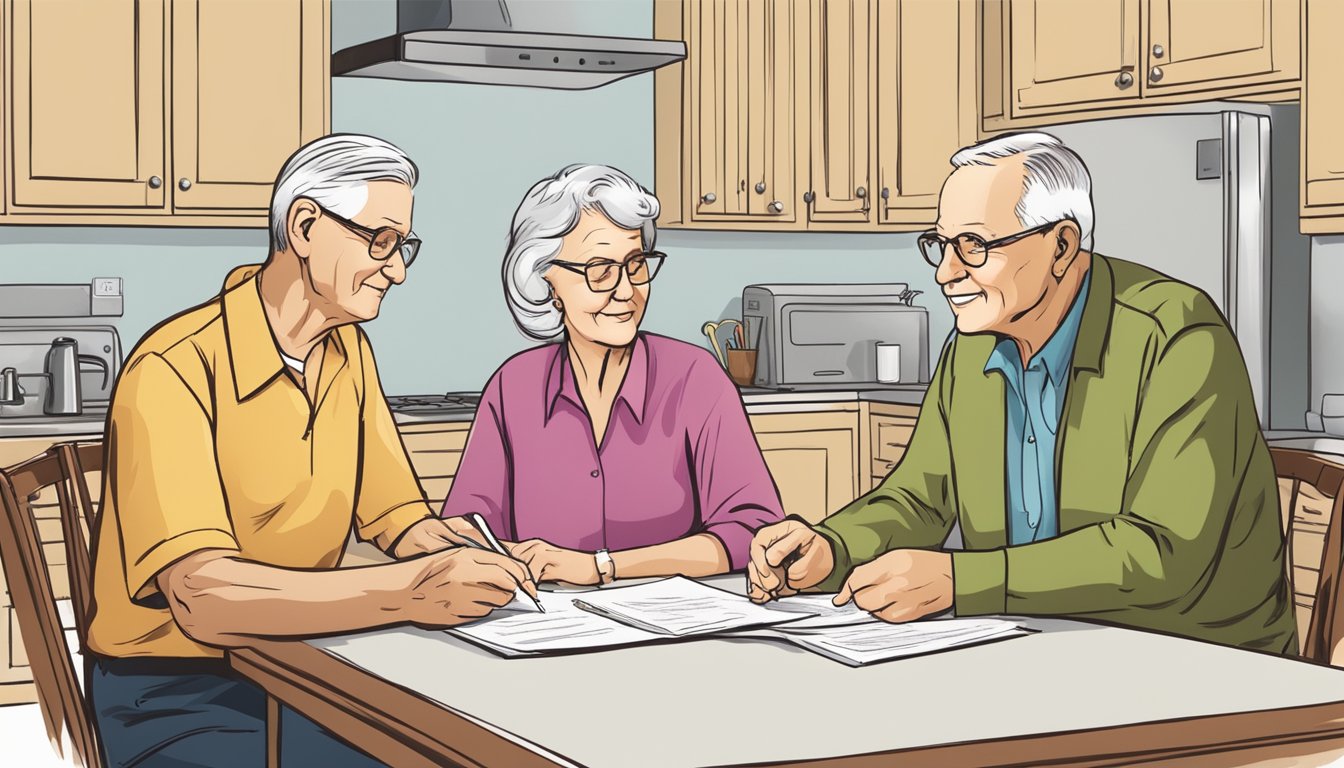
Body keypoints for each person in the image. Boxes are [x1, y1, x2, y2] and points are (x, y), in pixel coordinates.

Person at [746, 132, 1296, 654]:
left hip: (1197, 663)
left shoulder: (1176, 334)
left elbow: (1160, 554)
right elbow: (918, 499)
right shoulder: (972, 347)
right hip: (1030, 646)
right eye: (939, 245)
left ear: (1061, 245)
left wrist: (961, 580)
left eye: (974, 246)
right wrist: (831, 547)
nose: (945, 273)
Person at [84, 134, 536, 767]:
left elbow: (396, 519)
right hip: (175, 691)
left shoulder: (347, 352)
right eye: (380, 241)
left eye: (403, 246)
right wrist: (410, 592)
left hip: (307, 664)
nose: (398, 269)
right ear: (304, 225)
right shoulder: (172, 366)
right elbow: (201, 599)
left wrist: (456, 550)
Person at [441, 163, 784, 585]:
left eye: (636, 264)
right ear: (545, 280)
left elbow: (753, 532)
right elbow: (466, 531)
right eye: (599, 270)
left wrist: (602, 567)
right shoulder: (513, 387)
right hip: (546, 629)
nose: (626, 291)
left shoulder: (696, 378)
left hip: (676, 631)